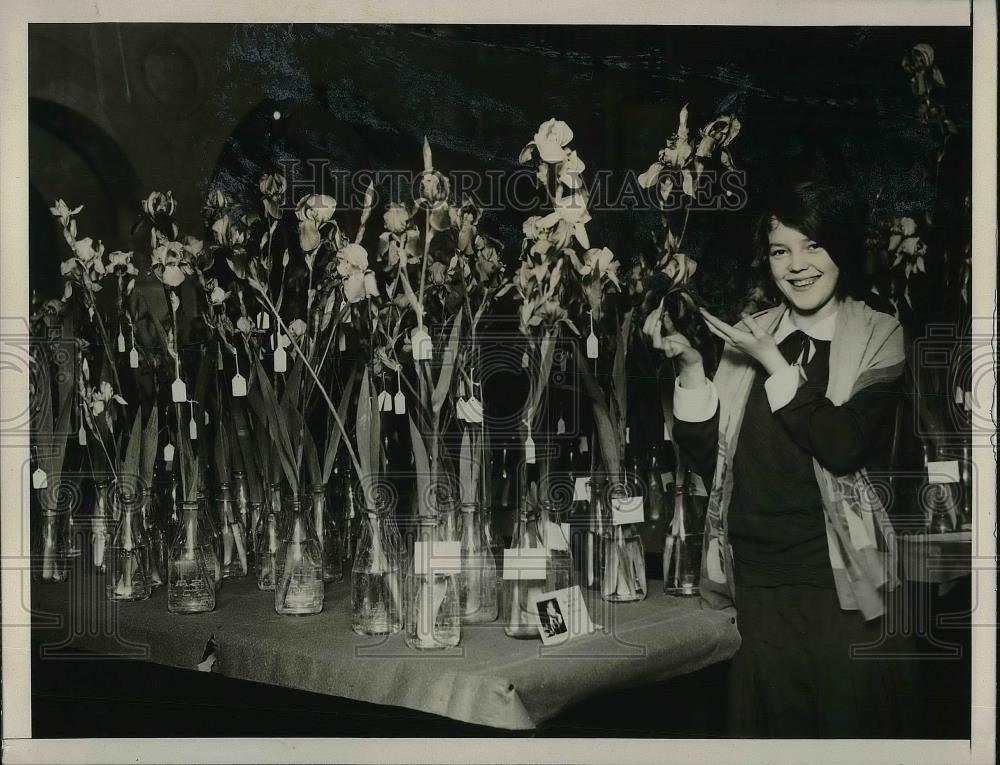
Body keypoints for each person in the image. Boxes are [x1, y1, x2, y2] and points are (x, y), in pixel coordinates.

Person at [643, 180, 916, 738]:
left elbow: (841, 444)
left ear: (839, 246)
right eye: (780, 250)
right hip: (758, 587)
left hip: (841, 588)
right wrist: (693, 367)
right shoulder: (753, 333)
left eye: (812, 245)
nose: (797, 265)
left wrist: (773, 361)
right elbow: (712, 464)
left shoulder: (878, 333)